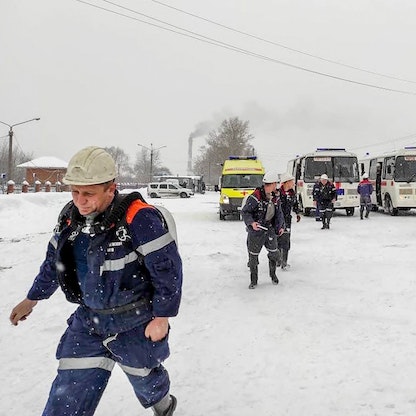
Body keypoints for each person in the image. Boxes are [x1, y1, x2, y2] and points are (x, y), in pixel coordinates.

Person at [9, 146, 182, 416]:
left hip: (135, 322)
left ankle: (164, 406)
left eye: (89, 193)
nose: (80, 201)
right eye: (75, 192)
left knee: (146, 378)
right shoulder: (69, 220)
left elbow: (167, 271)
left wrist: (162, 317)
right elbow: (54, 265)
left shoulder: (139, 219)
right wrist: (32, 299)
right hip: (89, 322)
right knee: (67, 393)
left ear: (111, 189)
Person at [241, 171, 285, 289]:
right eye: (275, 184)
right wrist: (251, 223)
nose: (276, 186)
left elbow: (279, 214)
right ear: (270, 184)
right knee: (253, 257)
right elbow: (245, 212)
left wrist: (281, 226)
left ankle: (273, 274)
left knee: (274, 253)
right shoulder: (255, 197)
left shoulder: (275, 198)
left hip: (270, 230)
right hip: (256, 232)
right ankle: (253, 280)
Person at [278, 173, 301, 270]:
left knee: (286, 241)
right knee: (277, 240)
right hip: (277, 220)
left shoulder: (292, 193)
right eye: (292, 181)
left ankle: (284, 262)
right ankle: (277, 260)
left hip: (287, 220)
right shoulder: (278, 193)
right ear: (286, 182)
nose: (293, 183)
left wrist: (298, 213)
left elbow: (295, 204)